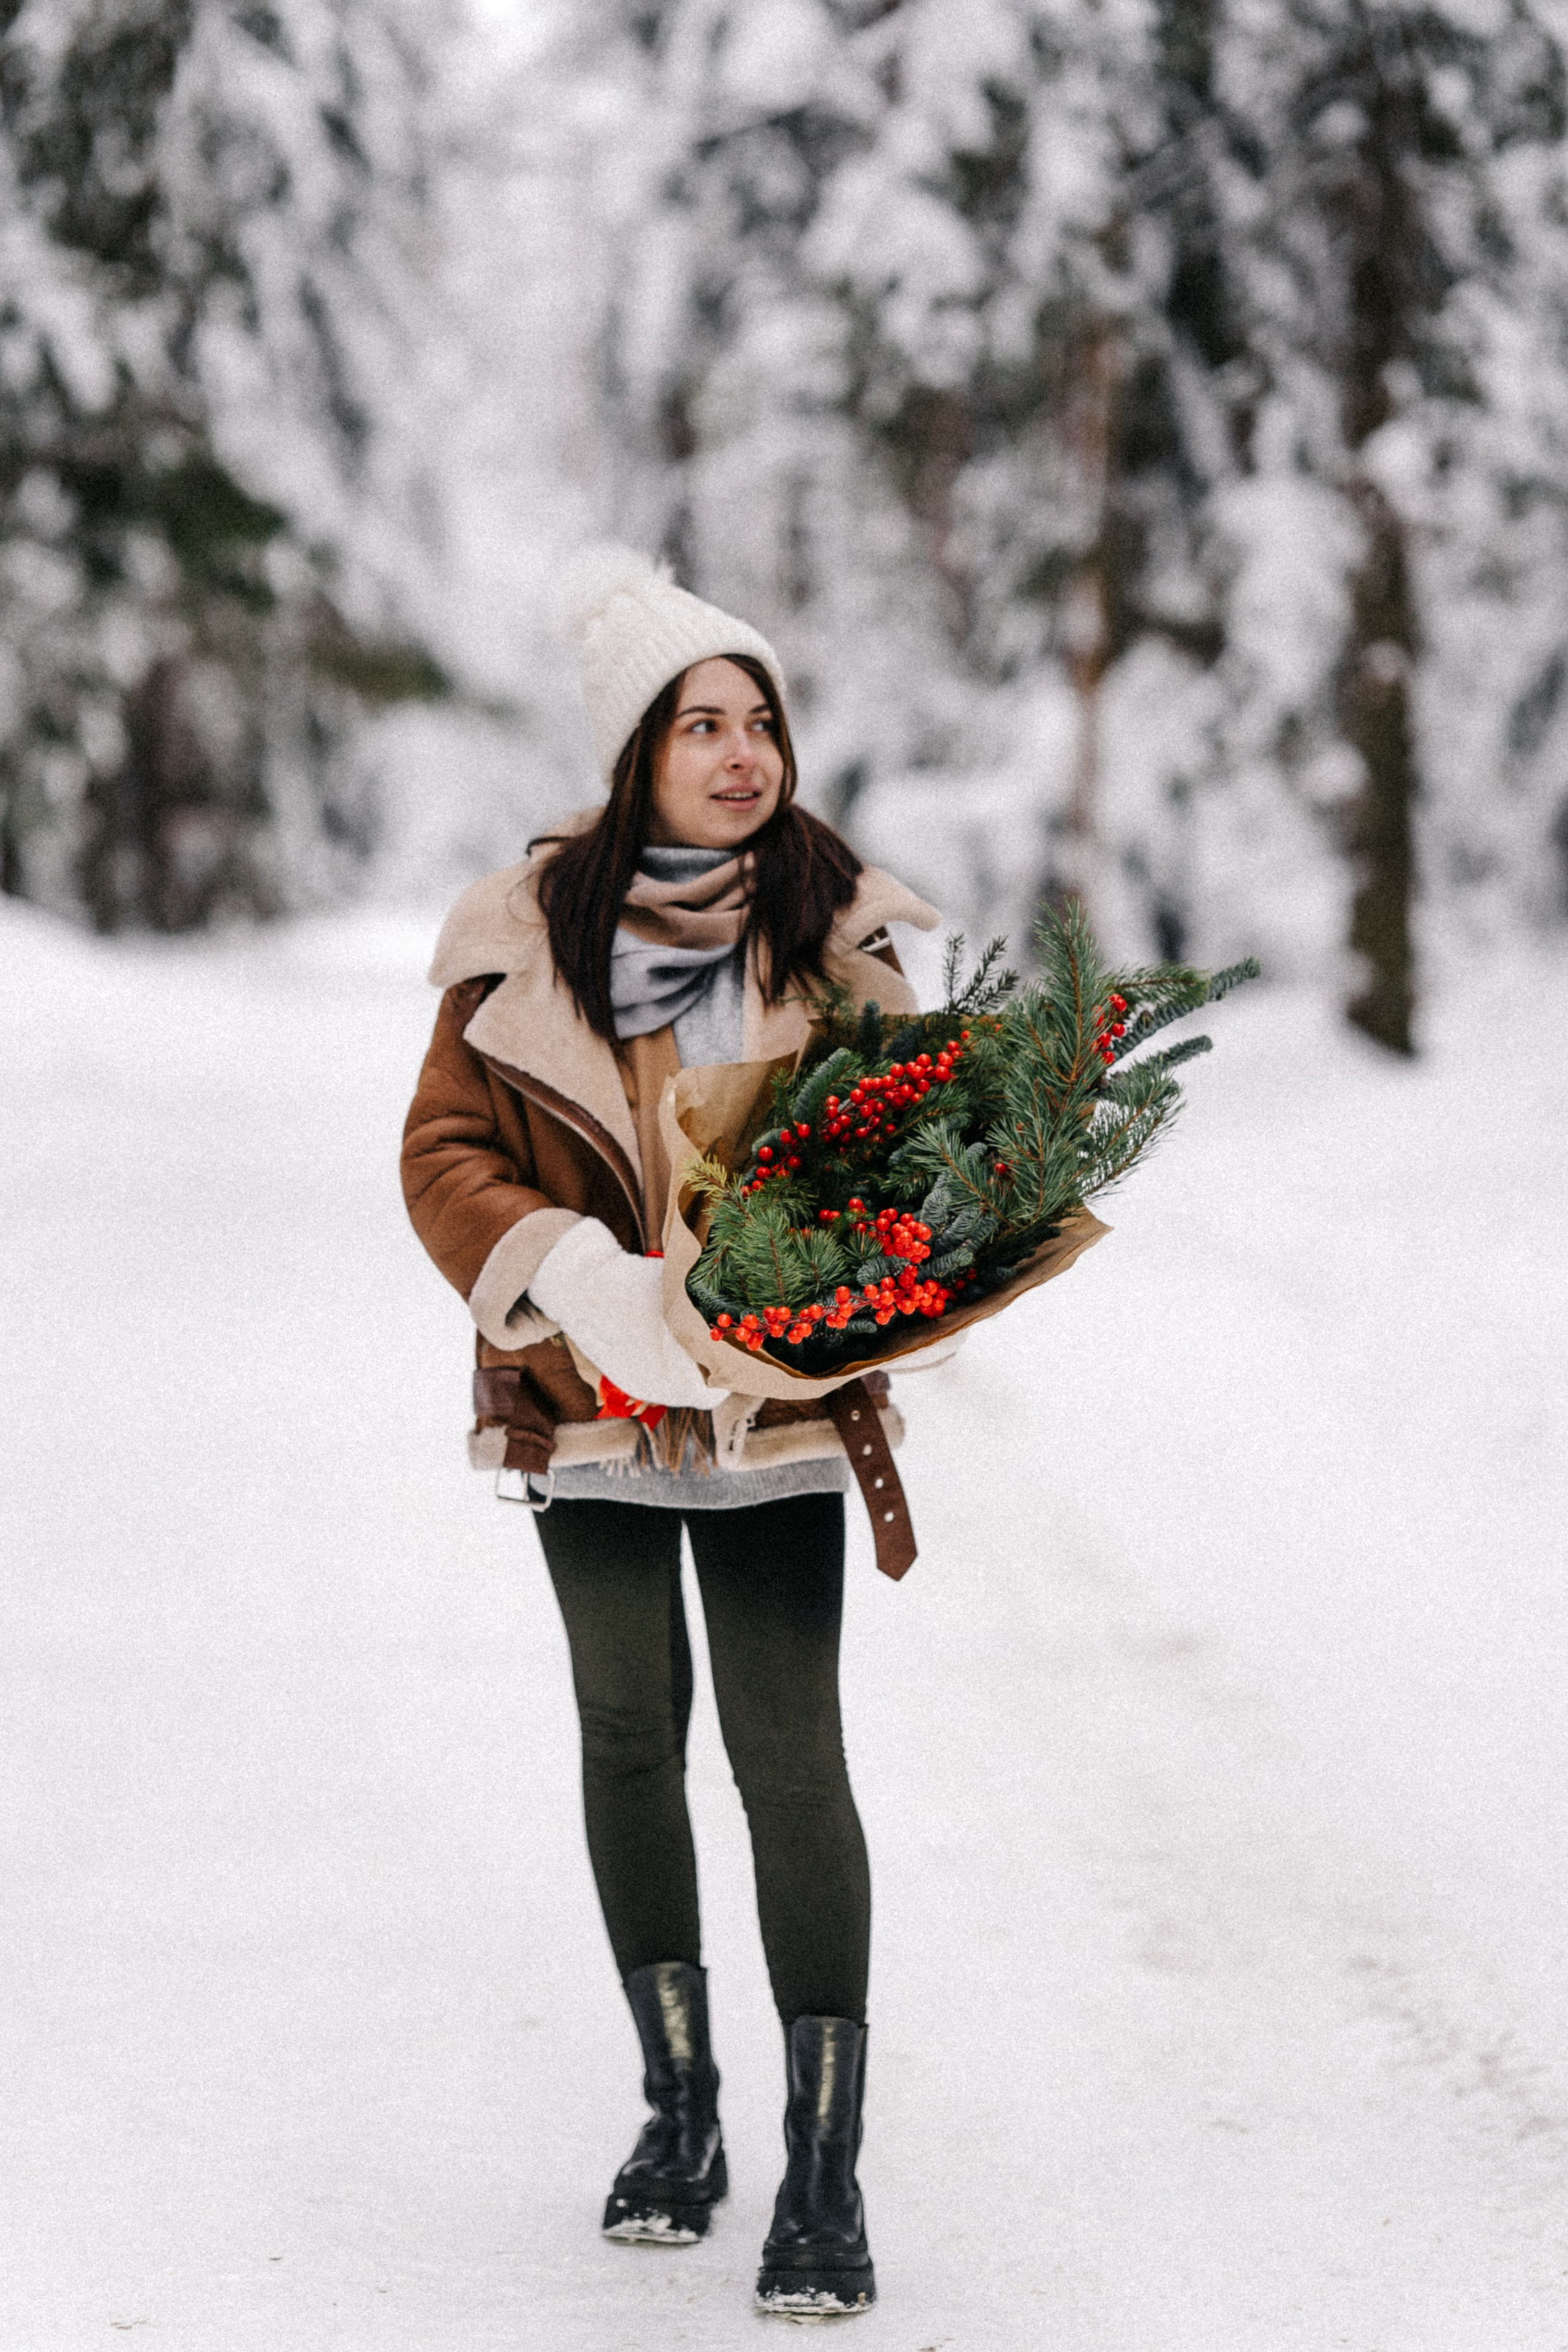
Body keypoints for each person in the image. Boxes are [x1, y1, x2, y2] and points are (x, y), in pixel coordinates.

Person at [401, 547, 937, 2319]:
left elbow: (925, 1154)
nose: (741, 750)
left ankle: (826, 2167)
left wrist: (865, 1270)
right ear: (638, 753)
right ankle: (682, 2109)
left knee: (790, 1758)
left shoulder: (844, 930)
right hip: (593, 1406)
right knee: (630, 1731)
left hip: (776, 1411)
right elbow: (443, 1161)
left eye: (760, 718)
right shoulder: (523, 939)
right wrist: (567, 1272)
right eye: (702, 722)